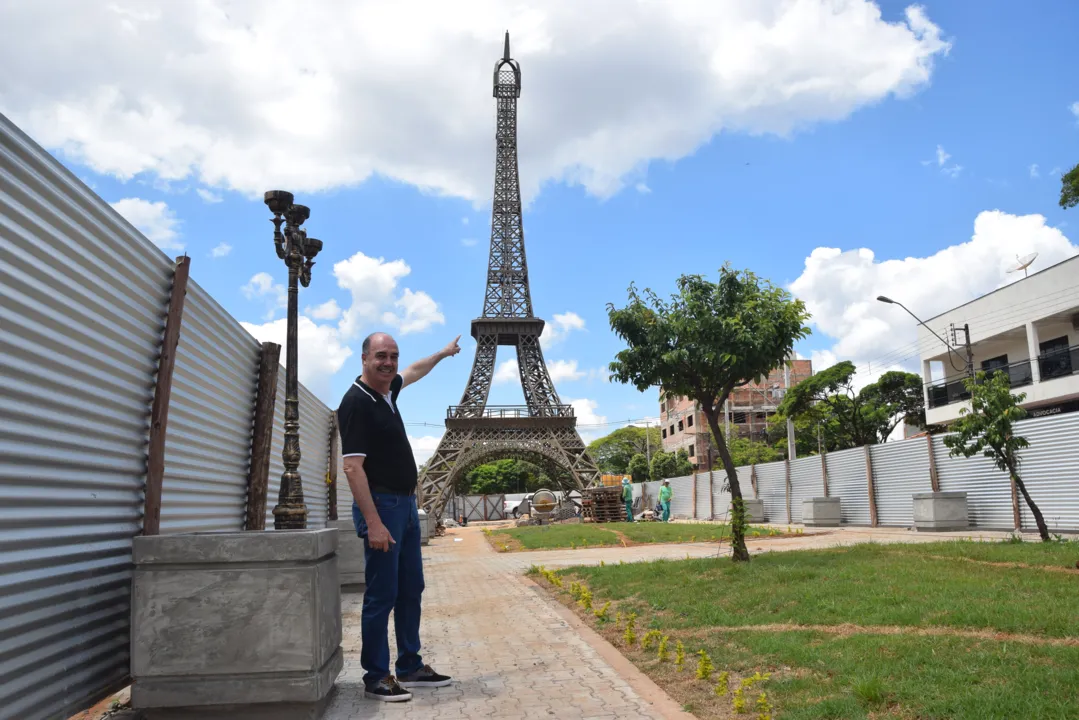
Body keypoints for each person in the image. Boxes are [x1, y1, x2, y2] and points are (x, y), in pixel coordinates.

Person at [337, 332, 461, 703]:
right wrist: (373, 522)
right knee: (382, 594)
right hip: (383, 507)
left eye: (392, 356)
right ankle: (376, 675)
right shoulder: (356, 403)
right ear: (363, 359)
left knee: (411, 589)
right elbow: (353, 468)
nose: (388, 363)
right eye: (380, 356)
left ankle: (410, 664)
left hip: (406, 506)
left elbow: (414, 370)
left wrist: (442, 352)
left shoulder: (388, 393)